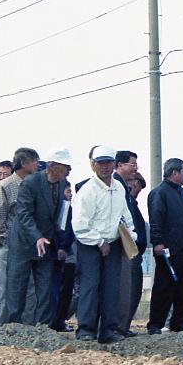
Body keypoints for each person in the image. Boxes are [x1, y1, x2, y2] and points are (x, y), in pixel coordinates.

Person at [72, 146, 136, 343]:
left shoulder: (118, 188)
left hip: (113, 243)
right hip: (90, 245)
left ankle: (108, 329)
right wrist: (99, 241)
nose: (105, 167)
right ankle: (86, 329)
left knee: (111, 288)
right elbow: (80, 224)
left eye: (108, 162)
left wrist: (130, 237)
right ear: (93, 165)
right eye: (101, 163)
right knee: (90, 286)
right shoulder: (87, 191)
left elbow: (126, 216)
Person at [1, 149, 69, 325]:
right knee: (17, 287)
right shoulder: (31, 183)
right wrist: (36, 236)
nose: (68, 170)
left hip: (46, 242)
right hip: (24, 242)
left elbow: (58, 214)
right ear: (52, 166)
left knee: (45, 287)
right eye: (65, 167)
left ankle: (43, 325)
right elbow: (24, 214)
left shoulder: (62, 184)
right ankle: (12, 326)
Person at [147, 158, 183, 334]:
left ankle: (180, 322)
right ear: (175, 172)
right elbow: (156, 219)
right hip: (168, 250)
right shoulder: (159, 193)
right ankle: (155, 324)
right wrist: (158, 242)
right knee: (164, 287)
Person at [0, 148, 39, 320]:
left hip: (30, 246)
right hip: (9, 246)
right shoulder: (5, 186)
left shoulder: (35, 184)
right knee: (8, 287)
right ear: (24, 163)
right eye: (35, 161)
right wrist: (8, 242)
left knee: (30, 287)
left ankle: (26, 328)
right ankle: (2, 328)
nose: (37, 165)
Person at [117, 161, 148, 337]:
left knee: (134, 290)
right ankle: (121, 325)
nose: (137, 191)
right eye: (137, 187)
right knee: (128, 289)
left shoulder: (133, 204)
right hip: (128, 251)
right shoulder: (125, 200)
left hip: (136, 252)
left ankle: (125, 324)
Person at [48, 183, 77, 332]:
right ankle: (55, 320)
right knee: (58, 289)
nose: (70, 194)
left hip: (65, 253)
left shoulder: (68, 207)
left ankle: (59, 319)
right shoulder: (62, 207)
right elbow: (64, 229)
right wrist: (62, 247)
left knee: (65, 290)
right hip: (58, 253)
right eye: (67, 191)